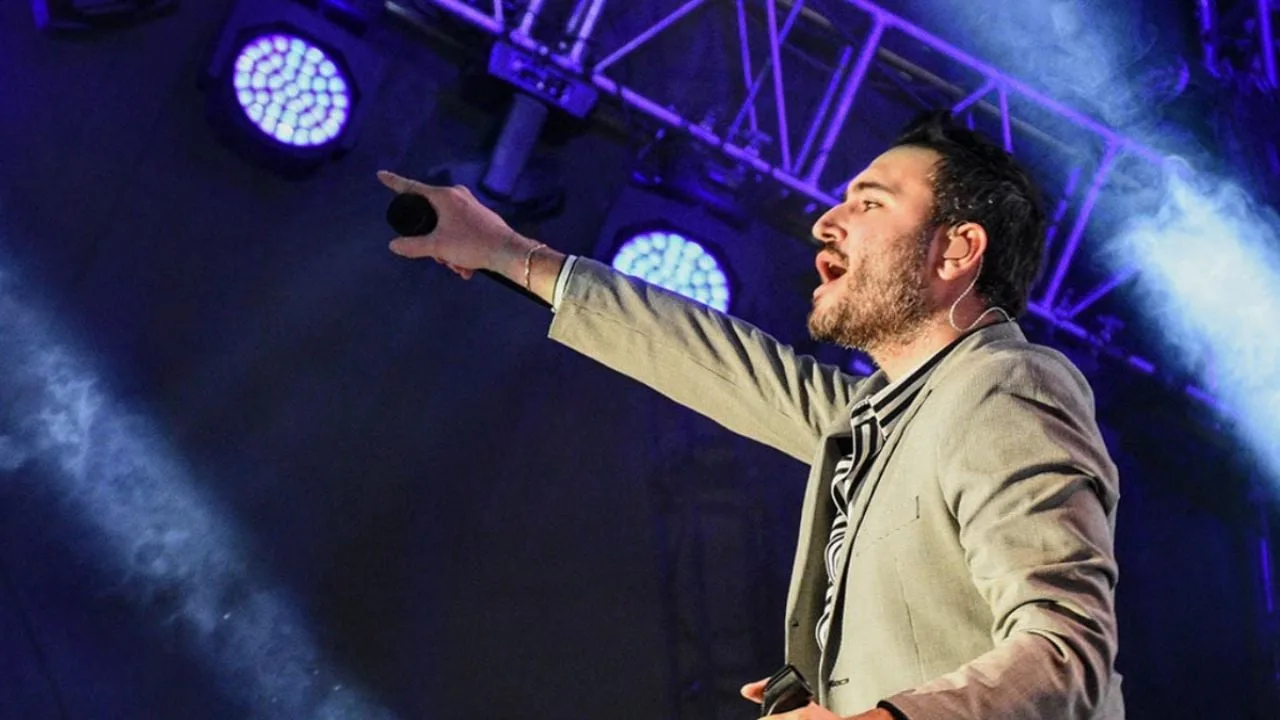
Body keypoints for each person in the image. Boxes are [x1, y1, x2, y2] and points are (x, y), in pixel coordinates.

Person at [377, 111, 1123, 719]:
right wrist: (507, 251)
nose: (827, 221)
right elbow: (713, 359)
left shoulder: (1009, 384)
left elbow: (1067, 650)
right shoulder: (870, 421)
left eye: (869, 202)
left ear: (957, 249)